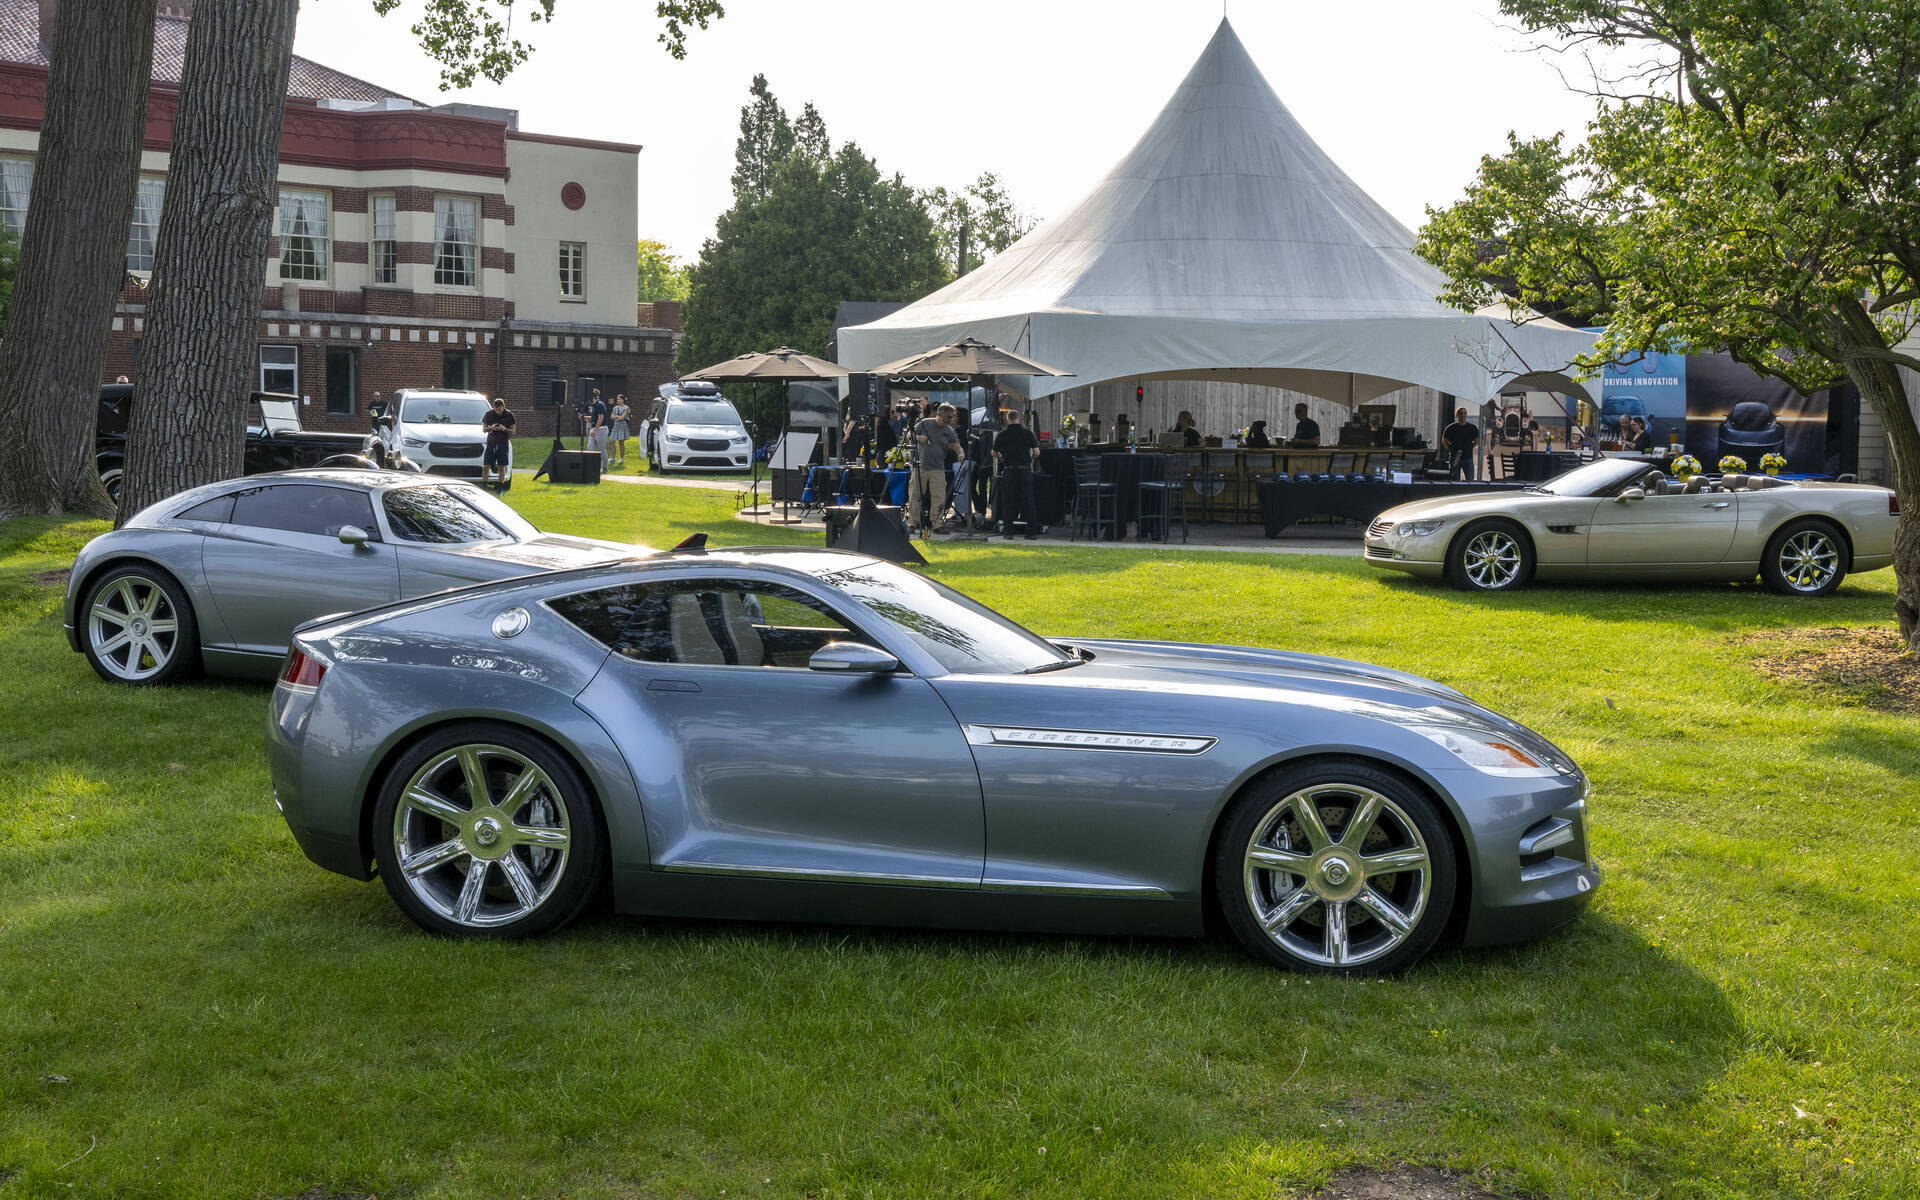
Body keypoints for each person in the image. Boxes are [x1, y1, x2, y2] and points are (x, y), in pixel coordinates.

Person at [908, 403, 964, 538]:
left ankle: (937, 523)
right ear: (940, 414)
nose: (950, 419)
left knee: (939, 496)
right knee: (915, 495)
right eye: (948, 417)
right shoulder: (925, 423)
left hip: (938, 468)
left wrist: (960, 453)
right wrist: (919, 438)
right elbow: (910, 435)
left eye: (952, 417)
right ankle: (912, 522)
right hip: (920, 466)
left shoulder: (949, 430)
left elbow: (957, 445)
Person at [992, 409, 1040, 539]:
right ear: (1019, 419)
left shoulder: (1002, 434)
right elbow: (1036, 452)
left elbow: (993, 452)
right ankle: (1031, 532)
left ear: (1008, 419)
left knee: (1008, 501)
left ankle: (1008, 532)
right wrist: (1030, 460)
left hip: (1009, 470)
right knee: (1028, 500)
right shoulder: (1027, 433)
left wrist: (1002, 458)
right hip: (1024, 470)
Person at [481, 396, 516, 488]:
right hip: (491, 443)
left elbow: (512, 431)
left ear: (503, 407)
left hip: (503, 443)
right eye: (496, 410)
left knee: (501, 466)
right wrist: (491, 428)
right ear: (494, 408)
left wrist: (504, 429)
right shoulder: (489, 414)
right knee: (486, 466)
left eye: (500, 410)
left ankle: (500, 486)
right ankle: (484, 486)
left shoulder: (509, 415)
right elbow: (484, 429)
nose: (498, 412)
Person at [1441, 406, 1480, 481]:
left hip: (1468, 457)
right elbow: (1444, 441)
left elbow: (1477, 440)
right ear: (1457, 415)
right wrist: (1450, 449)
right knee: (1454, 480)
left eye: (1464, 413)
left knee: (1470, 480)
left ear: (1466, 415)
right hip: (1455, 458)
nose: (1463, 415)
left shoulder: (1472, 428)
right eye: (1461, 413)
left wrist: (1470, 447)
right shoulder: (1451, 428)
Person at [585, 389, 609, 464]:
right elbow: (594, 418)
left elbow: (600, 418)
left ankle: (605, 467)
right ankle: (590, 466)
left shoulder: (599, 405)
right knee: (590, 448)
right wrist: (584, 417)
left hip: (601, 429)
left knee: (602, 449)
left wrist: (595, 430)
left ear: (593, 397)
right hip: (594, 428)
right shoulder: (594, 405)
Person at [609, 394, 631, 468]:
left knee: (621, 442)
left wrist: (617, 417)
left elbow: (622, 418)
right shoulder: (615, 408)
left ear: (623, 400)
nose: (617, 400)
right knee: (611, 441)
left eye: (619, 399)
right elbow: (611, 417)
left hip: (622, 426)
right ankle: (613, 457)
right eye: (617, 399)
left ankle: (621, 458)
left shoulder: (626, 408)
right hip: (615, 426)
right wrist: (617, 417)